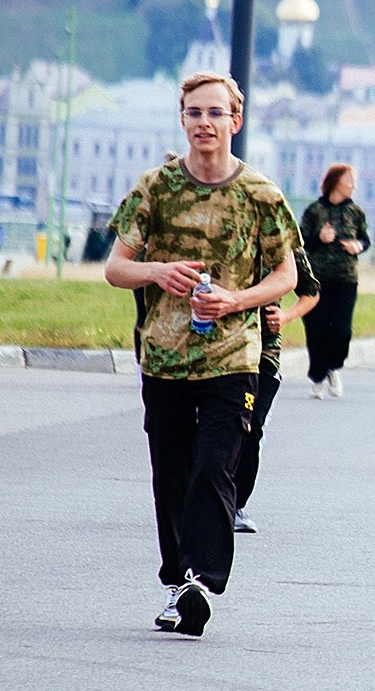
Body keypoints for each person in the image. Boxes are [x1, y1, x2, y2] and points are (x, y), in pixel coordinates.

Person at [103, 72, 297, 634]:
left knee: (215, 466)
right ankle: (176, 578)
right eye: (194, 113)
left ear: (236, 120)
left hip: (234, 355)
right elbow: (116, 267)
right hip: (164, 355)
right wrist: (158, 271)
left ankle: (200, 581)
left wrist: (238, 299)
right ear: (182, 119)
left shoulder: (260, 194)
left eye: (215, 113)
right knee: (172, 471)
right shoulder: (155, 188)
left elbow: (286, 273)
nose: (204, 123)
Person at [232, 198, 321, 533]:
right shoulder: (219, 240)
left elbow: (311, 291)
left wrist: (285, 316)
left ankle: (236, 505)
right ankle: (201, 500)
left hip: (263, 354)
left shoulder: (282, 245)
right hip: (218, 351)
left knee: (251, 428)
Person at [300, 163, 369, 399]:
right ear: (336, 182)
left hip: (345, 279)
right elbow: (300, 241)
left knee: (341, 330)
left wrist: (357, 246)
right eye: (350, 180)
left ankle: (333, 366)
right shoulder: (314, 211)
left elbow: (365, 239)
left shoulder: (356, 213)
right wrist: (319, 238)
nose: (353, 186)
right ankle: (318, 377)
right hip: (317, 279)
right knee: (316, 328)